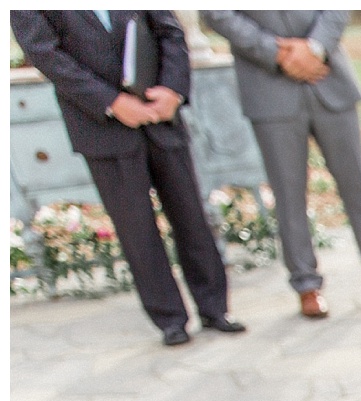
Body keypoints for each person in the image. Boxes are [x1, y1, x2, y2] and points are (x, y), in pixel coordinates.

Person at [11, 9, 244, 346]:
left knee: (191, 214)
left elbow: (170, 32)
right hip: (101, 126)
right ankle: (170, 320)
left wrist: (172, 91)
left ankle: (215, 309)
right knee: (136, 228)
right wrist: (111, 102)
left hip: (161, 116)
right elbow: (45, 54)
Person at [202, 11, 361, 319]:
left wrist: (314, 48)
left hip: (328, 76)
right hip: (268, 85)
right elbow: (217, 13)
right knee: (288, 194)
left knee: (357, 186)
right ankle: (306, 284)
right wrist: (276, 52)